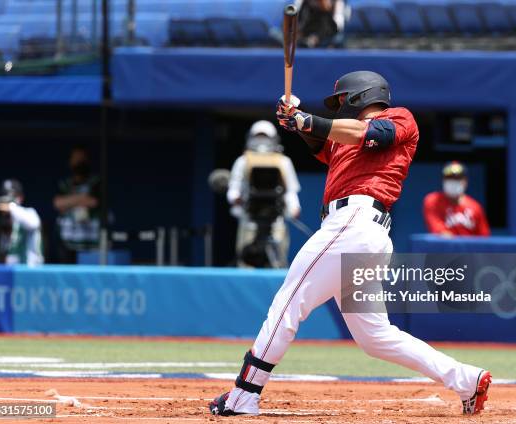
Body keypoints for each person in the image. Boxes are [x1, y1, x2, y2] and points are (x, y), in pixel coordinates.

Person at [209, 71, 491, 416]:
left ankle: (244, 394)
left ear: (359, 95)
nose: (339, 107)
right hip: (361, 234)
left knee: (288, 304)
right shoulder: (344, 139)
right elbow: (322, 141)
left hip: (355, 224)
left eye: (341, 101)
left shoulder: (398, 117)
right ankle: (467, 380)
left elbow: (367, 133)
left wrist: (307, 118)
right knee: (376, 337)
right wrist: (295, 120)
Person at [227, 120, 301, 268]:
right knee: (246, 265)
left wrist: (294, 207)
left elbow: (290, 191)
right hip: (249, 221)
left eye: (265, 137)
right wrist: (236, 199)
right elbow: (234, 187)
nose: (261, 141)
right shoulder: (242, 161)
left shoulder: (283, 162)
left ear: (273, 138)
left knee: (277, 264)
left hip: (276, 223)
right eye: (258, 136)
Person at [53, 145, 101, 263]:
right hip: (68, 241)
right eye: (76, 159)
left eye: (82, 159)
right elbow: (58, 203)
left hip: (91, 242)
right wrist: (81, 198)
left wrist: (69, 201)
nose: (79, 162)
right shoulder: (65, 184)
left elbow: (93, 201)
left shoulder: (96, 182)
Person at [423, 161, 491, 237]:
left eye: (457, 178)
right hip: (444, 247)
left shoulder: (475, 207)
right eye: (449, 178)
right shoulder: (433, 201)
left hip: (470, 248)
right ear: (443, 181)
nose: (453, 182)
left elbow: (484, 237)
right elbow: (438, 229)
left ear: (465, 182)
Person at [0, 179, 43, 266]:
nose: (7, 200)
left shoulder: (29, 212)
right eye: (5, 196)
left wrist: (10, 207)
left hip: (30, 270)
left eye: (11, 197)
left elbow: (33, 223)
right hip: (9, 273)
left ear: (21, 197)